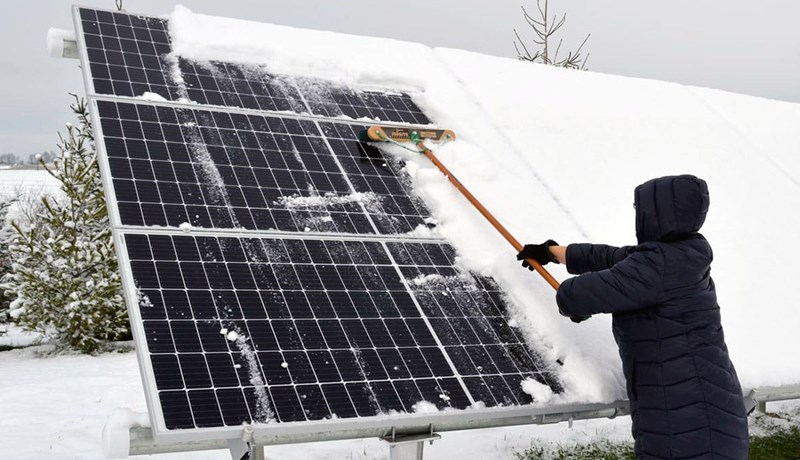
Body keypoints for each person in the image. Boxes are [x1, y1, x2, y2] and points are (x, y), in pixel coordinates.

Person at [517, 175, 748, 459]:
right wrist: (553, 253)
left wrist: (575, 304)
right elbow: (614, 258)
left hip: (687, 420)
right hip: (699, 406)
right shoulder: (683, 253)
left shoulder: (657, 266)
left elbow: (576, 296)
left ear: (658, 212)